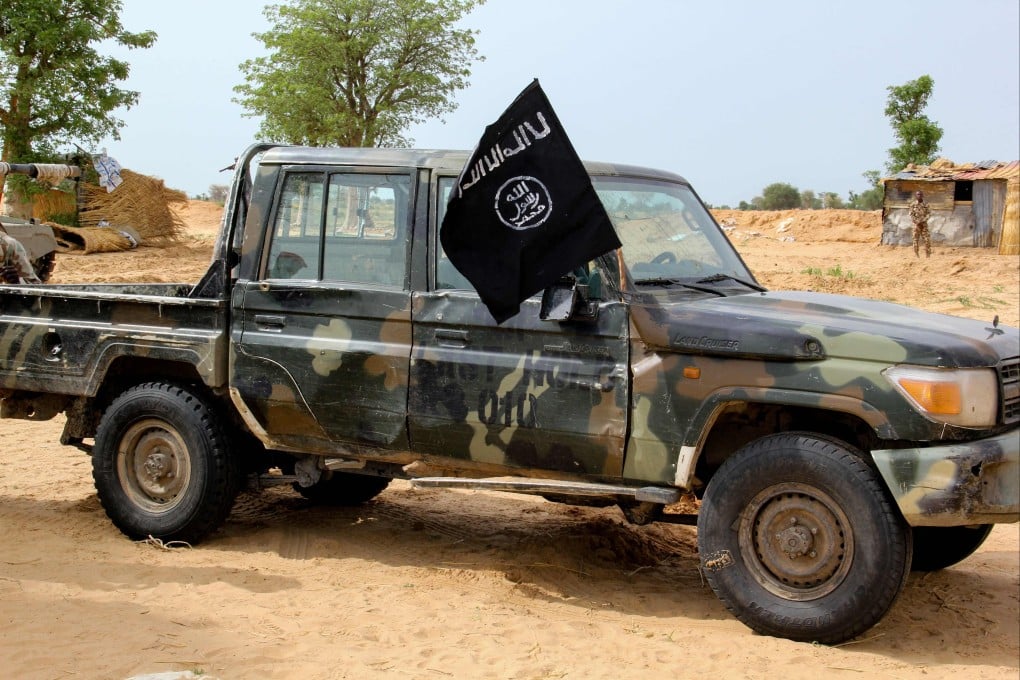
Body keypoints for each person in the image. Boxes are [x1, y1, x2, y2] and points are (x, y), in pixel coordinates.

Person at [907, 190, 932, 258]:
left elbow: (929, 214)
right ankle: (916, 254)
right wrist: (917, 222)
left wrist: (923, 221)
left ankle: (928, 255)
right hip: (916, 225)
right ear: (916, 196)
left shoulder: (926, 204)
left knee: (927, 240)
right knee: (915, 240)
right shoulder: (912, 205)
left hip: (924, 225)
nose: (919, 195)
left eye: (920, 194)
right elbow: (911, 214)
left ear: (922, 195)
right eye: (918, 194)